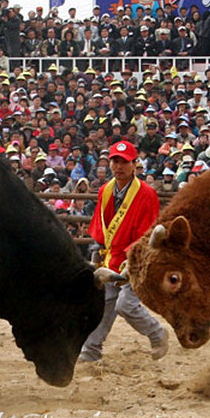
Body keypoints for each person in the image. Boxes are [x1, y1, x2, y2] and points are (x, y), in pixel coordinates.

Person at [79, 140, 168, 363]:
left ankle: (158, 334)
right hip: (111, 258)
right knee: (105, 304)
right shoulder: (105, 191)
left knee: (125, 305)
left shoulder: (146, 194)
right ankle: (91, 350)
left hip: (136, 258)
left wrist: (133, 258)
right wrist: (95, 255)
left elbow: (146, 232)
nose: (118, 166)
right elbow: (101, 227)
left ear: (134, 164)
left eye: (124, 162)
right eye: (115, 161)